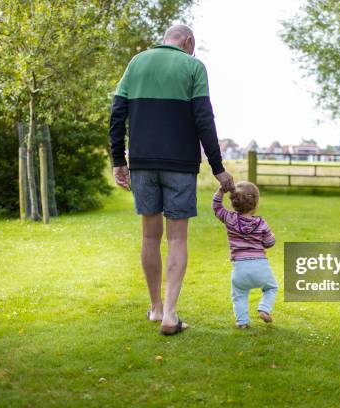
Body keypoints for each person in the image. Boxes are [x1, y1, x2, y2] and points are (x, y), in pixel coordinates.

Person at [109, 24, 235, 335]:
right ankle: (171, 314)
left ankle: (155, 308)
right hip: (180, 165)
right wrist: (218, 167)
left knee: (150, 237)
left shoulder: (136, 62)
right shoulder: (193, 66)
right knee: (177, 238)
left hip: (142, 163)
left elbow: (117, 114)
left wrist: (118, 161)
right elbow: (204, 118)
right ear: (189, 42)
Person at [212, 181, 278, 328]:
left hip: (240, 268)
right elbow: (269, 243)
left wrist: (220, 191)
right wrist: (270, 237)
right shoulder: (261, 223)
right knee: (271, 288)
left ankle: (242, 322)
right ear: (255, 203)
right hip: (261, 266)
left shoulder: (230, 219)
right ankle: (264, 309)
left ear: (234, 202)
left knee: (239, 295)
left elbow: (216, 208)